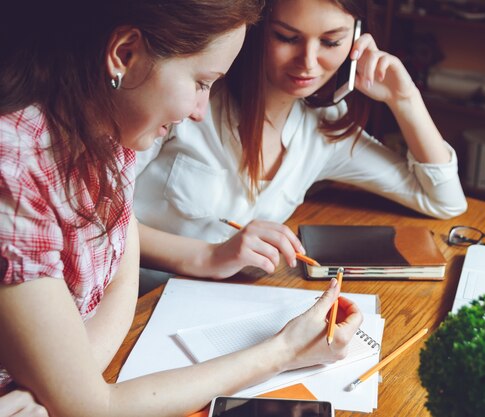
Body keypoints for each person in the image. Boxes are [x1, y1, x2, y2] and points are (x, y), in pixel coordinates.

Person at [0, 1, 363, 416]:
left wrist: (61, 386)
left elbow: (121, 274)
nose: (199, 111)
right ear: (124, 54)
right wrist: (285, 350)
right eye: (201, 82)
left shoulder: (110, 129)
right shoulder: (13, 172)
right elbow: (93, 409)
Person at [133, 0, 468, 292]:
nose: (308, 61)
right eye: (287, 38)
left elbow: (443, 200)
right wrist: (210, 257)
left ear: (356, 39)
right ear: (255, 28)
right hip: (135, 299)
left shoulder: (323, 131)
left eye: (331, 41)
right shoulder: (190, 100)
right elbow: (98, 222)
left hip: (219, 301)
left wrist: (404, 99)